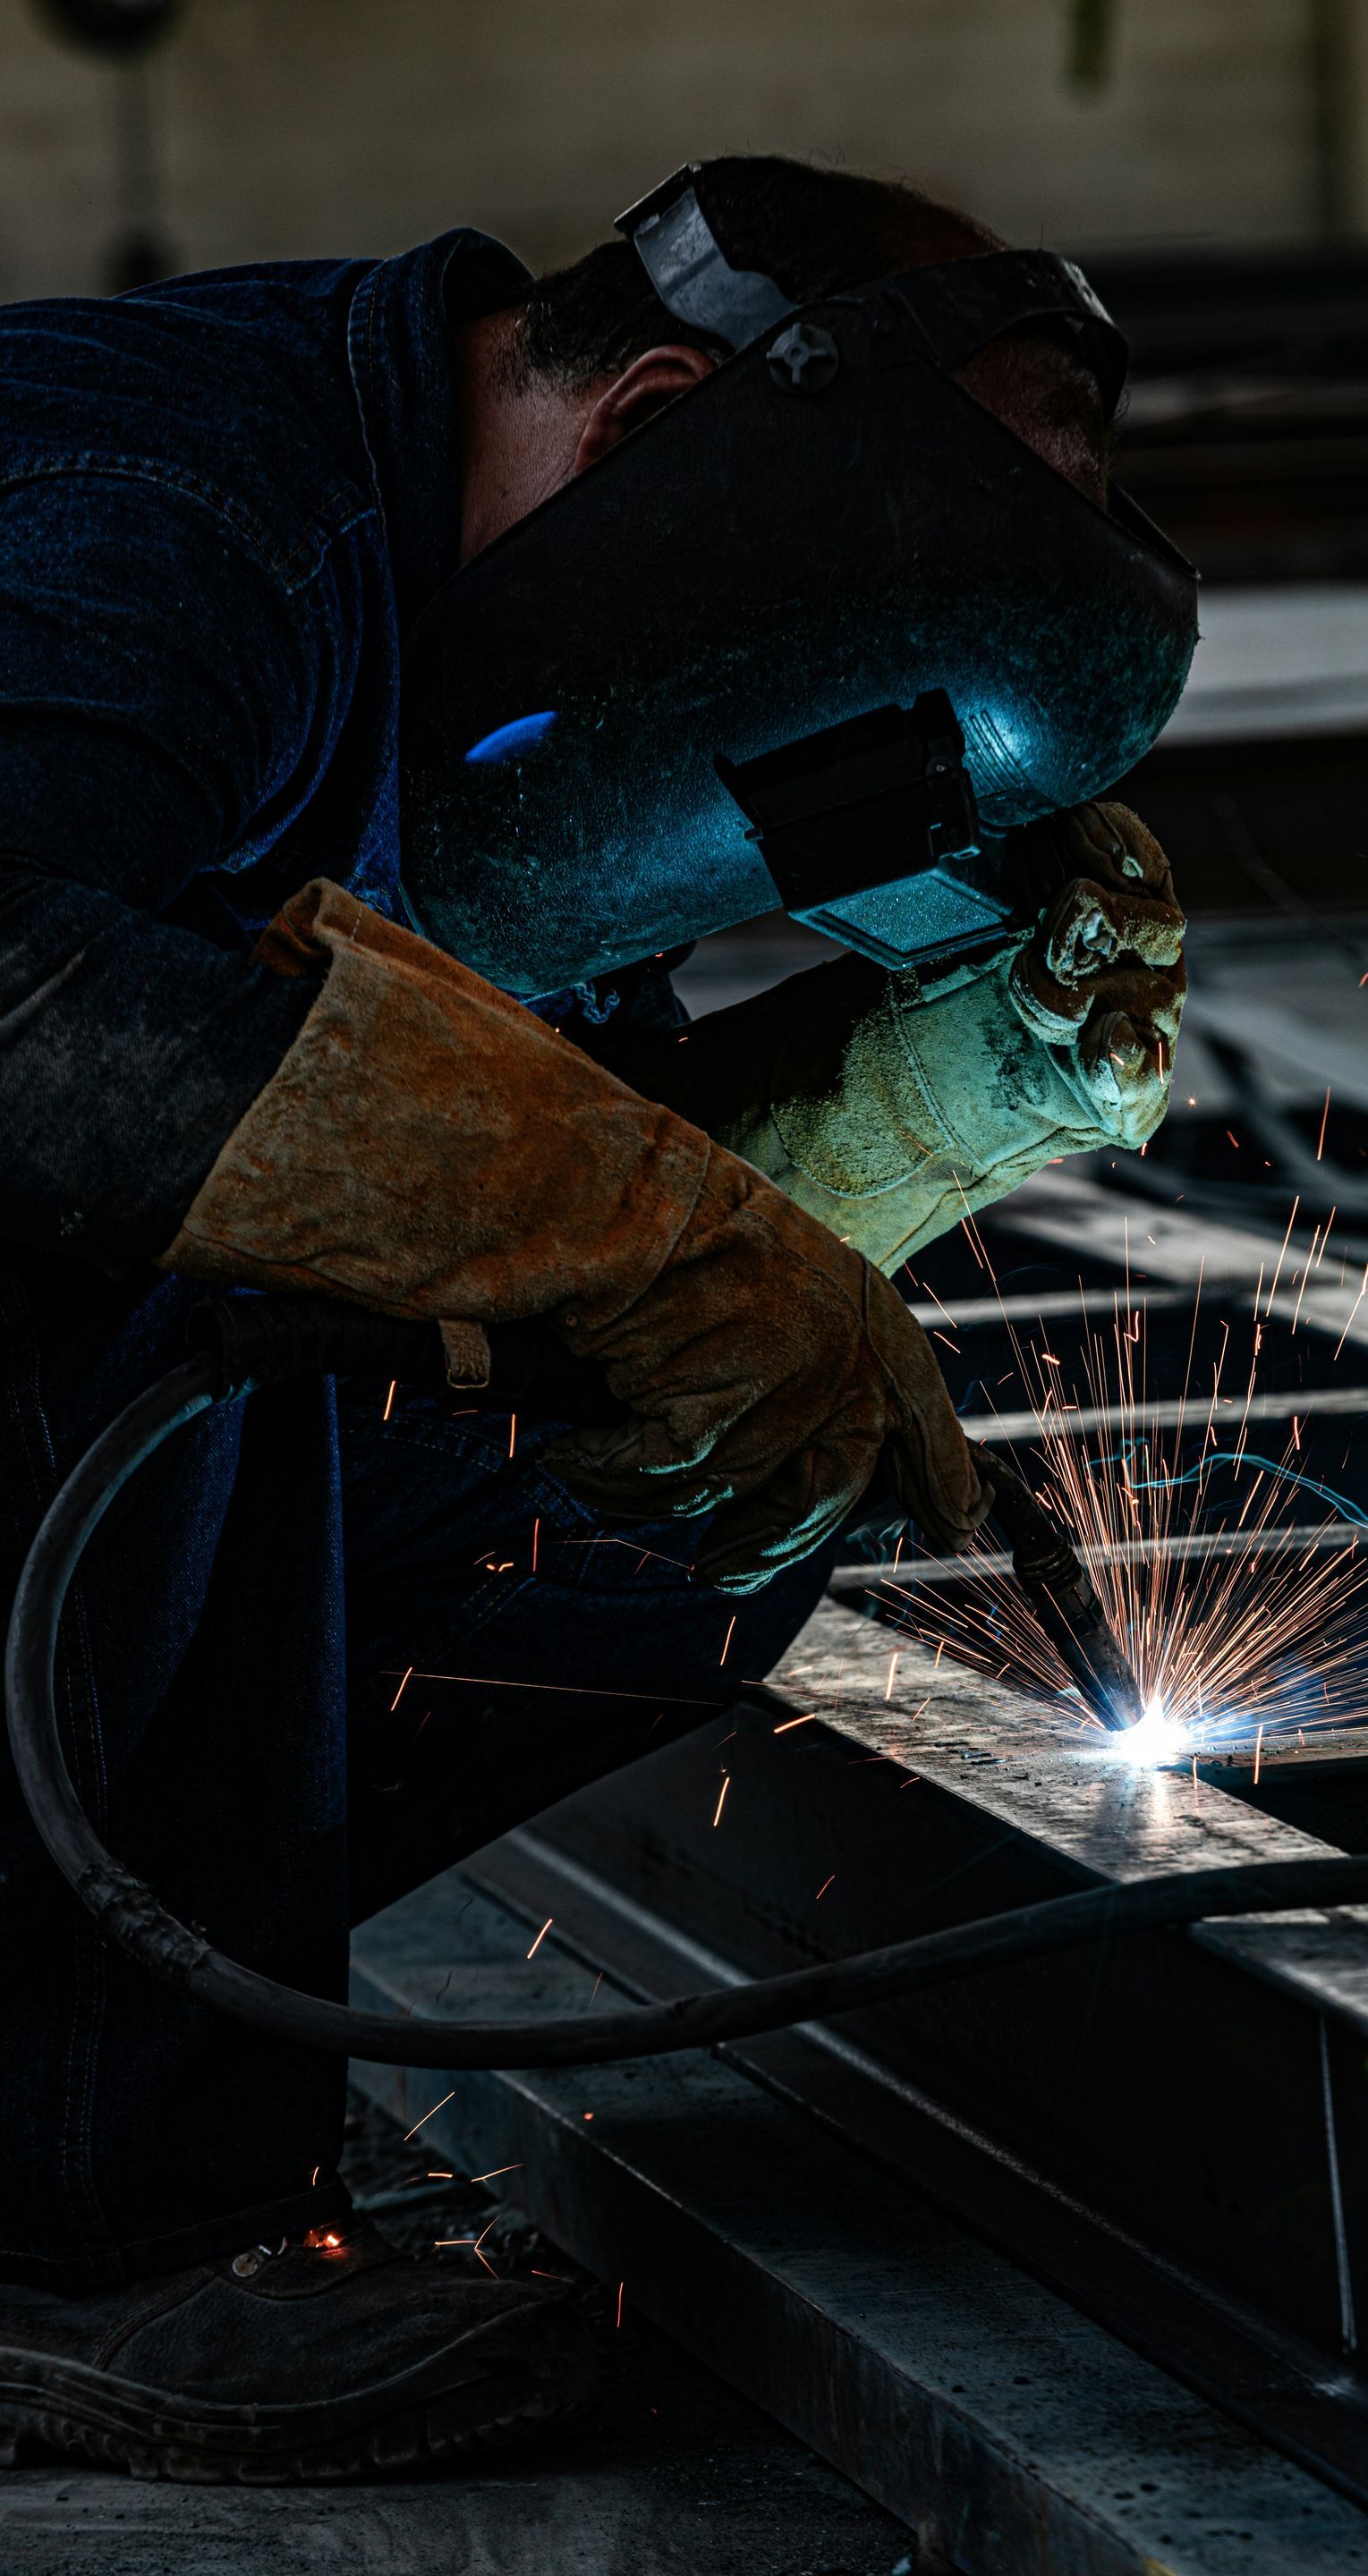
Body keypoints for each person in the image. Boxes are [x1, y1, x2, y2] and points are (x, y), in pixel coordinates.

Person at [0, 155, 1186, 2480]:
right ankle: (69, 2237)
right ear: (649, 434)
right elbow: (31, 1009)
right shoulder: (161, 513)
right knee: (144, 1260)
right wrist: (628, 1227)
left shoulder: (481, 640)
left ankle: (120, 2100)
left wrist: (889, 1121)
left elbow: (519, 1164)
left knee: (677, 1485)